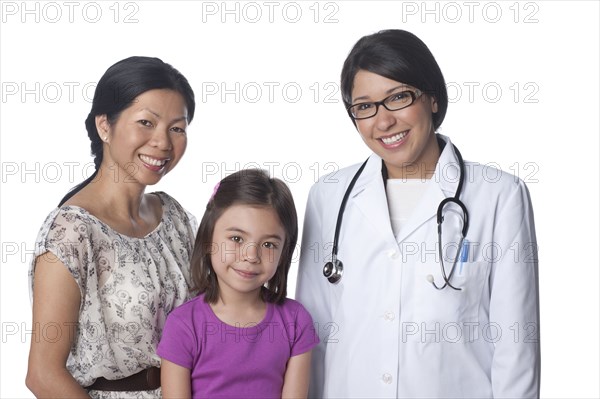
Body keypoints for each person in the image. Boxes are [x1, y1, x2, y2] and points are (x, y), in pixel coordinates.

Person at [296, 29, 540, 398]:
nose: (383, 122)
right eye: (364, 106)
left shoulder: (499, 195)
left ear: (432, 99)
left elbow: (515, 346)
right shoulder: (328, 197)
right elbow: (311, 335)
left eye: (398, 98)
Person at [26, 56, 197, 399]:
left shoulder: (175, 216)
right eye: (146, 122)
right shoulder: (71, 231)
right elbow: (43, 375)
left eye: (177, 128)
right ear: (104, 126)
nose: (163, 142)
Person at [158, 169, 319, 399]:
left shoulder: (296, 321)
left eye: (269, 245)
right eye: (236, 239)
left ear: (285, 252)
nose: (251, 255)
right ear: (208, 238)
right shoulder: (183, 325)